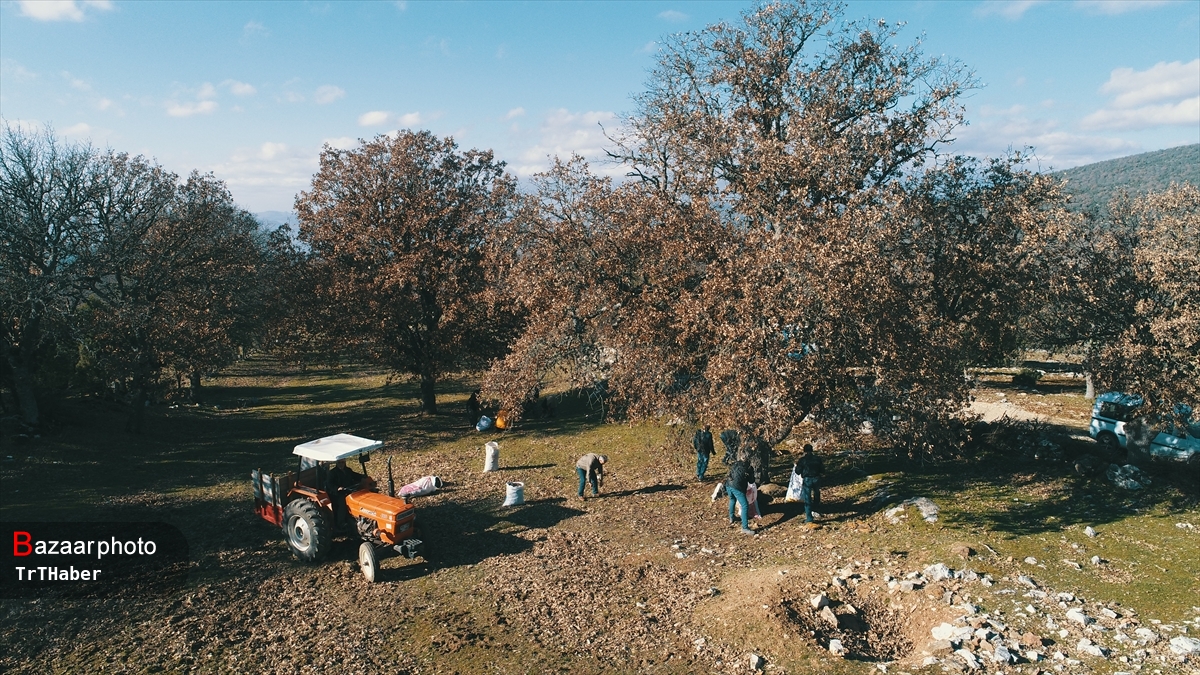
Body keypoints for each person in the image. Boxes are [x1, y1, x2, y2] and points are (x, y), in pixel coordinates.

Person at [726, 454, 756, 535]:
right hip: (737, 487)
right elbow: (751, 481)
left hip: (728, 484)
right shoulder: (748, 468)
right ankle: (745, 528)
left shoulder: (735, 463)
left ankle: (732, 517)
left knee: (732, 499)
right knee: (745, 505)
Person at [795, 444, 824, 523]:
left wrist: (798, 466)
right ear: (812, 450)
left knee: (807, 497)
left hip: (807, 479)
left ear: (804, 451)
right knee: (817, 493)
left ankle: (809, 517)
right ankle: (816, 509)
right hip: (816, 478)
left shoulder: (802, 460)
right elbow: (822, 470)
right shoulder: (817, 459)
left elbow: (797, 471)